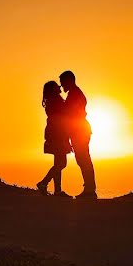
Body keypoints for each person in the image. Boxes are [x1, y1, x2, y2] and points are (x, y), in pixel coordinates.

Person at [61, 70, 96, 200]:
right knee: (82, 159)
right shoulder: (74, 94)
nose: (62, 86)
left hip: (80, 130)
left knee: (84, 159)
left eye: (63, 83)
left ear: (69, 81)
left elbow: (70, 113)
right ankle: (89, 189)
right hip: (80, 130)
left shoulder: (75, 94)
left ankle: (90, 190)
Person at [36, 81, 72, 197]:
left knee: (58, 162)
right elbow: (63, 116)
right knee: (62, 163)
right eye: (57, 86)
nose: (59, 87)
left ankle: (57, 190)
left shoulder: (52, 101)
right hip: (58, 134)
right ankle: (43, 183)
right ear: (53, 89)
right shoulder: (56, 101)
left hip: (55, 134)